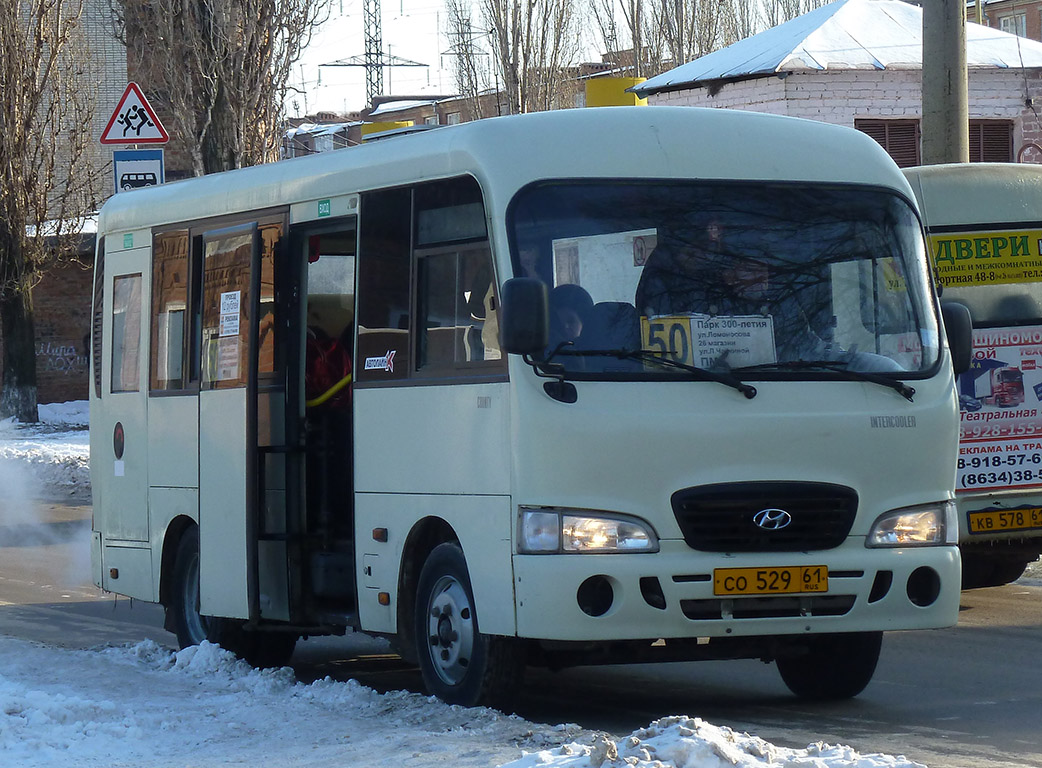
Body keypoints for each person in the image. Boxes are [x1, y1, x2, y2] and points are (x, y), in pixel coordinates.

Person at [548, 283, 593, 349]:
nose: (564, 327)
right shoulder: (545, 356)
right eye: (557, 322)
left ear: (584, 324)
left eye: (570, 321)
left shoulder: (594, 355)